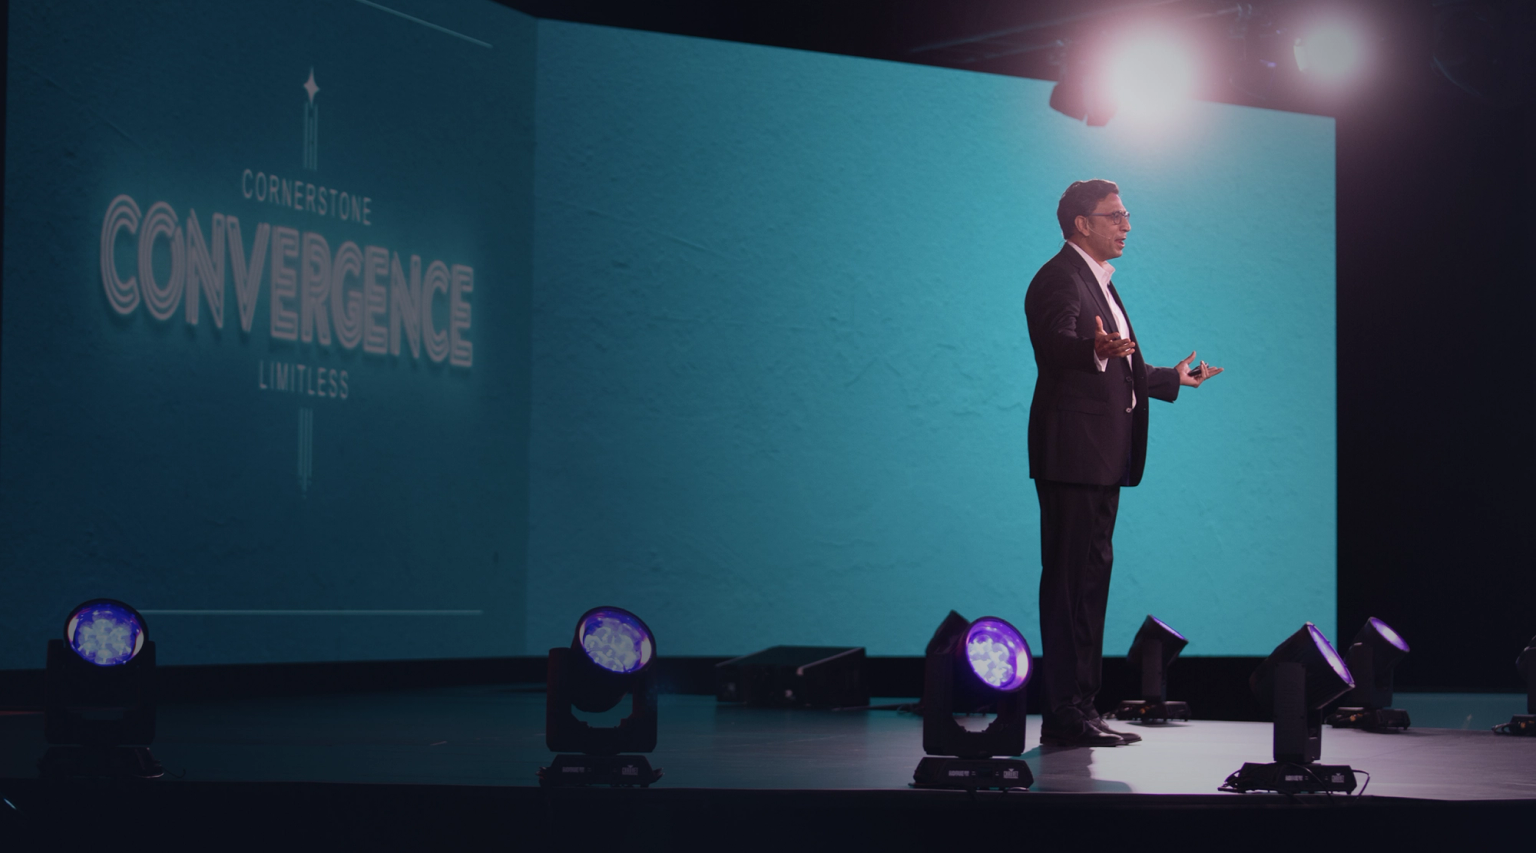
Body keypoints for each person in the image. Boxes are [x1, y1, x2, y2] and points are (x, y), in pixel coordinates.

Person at [1024, 179, 1222, 747]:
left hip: (1101, 457)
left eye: (1126, 214)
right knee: (1068, 587)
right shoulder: (1059, 277)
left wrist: (1171, 379)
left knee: (1091, 585)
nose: (1127, 225)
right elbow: (1057, 344)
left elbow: (1120, 365)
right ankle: (1063, 713)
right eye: (1115, 216)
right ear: (1082, 223)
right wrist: (1092, 348)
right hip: (1072, 454)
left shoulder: (1099, 281)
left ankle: (1083, 707)